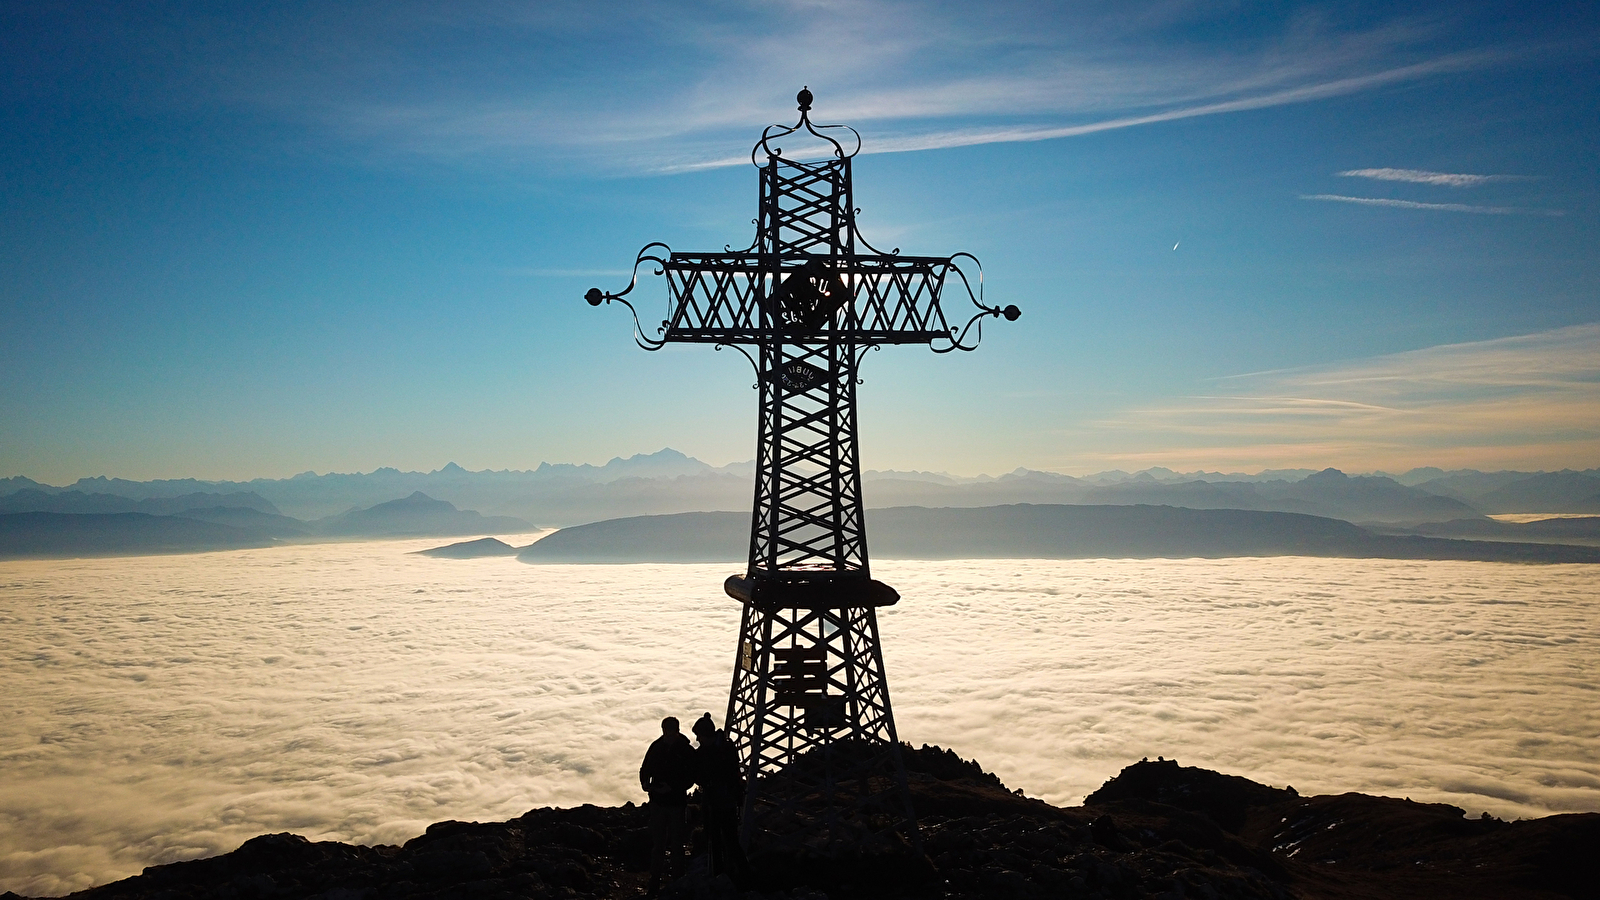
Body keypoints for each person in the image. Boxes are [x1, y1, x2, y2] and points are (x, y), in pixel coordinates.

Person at [639, 716, 696, 895]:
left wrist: (673, 787)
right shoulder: (657, 747)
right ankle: (654, 882)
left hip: (676, 803)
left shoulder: (685, 750)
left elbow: (691, 777)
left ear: (677, 731)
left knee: (677, 844)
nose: (668, 736)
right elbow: (645, 768)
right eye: (666, 732)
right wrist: (645, 783)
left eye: (671, 733)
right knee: (658, 844)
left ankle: (677, 882)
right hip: (658, 802)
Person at [692, 712, 750, 886]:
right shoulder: (726, 748)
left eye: (699, 735)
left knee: (722, 840)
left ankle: (726, 877)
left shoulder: (715, 751)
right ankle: (739, 876)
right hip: (724, 800)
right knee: (726, 840)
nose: (698, 739)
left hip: (720, 801)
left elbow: (706, 775)